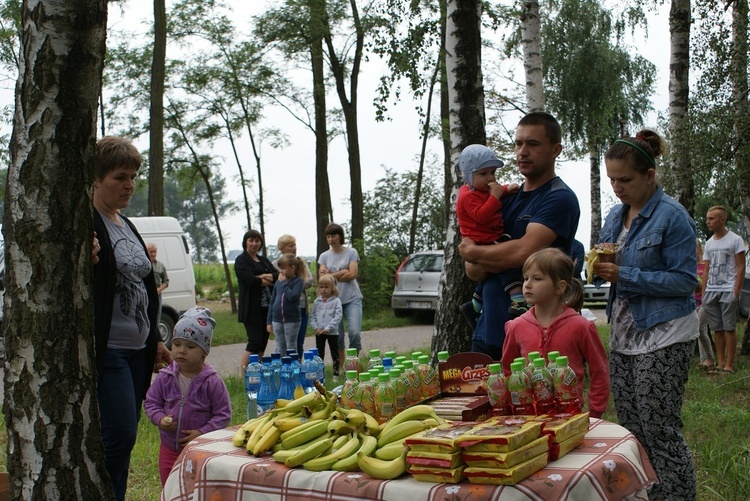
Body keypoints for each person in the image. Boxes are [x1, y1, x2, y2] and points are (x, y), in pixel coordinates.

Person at [593, 129, 698, 500]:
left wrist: (625, 274)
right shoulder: (614, 215)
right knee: (633, 430)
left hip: (665, 333)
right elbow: (603, 256)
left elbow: (685, 281)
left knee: (660, 431)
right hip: (625, 335)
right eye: (612, 180)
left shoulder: (673, 217)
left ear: (649, 175)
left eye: (625, 179)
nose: (617, 187)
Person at [459, 112, 580, 360]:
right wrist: (478, 258)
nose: (522, 151)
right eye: (518, 143)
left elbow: (523, 252)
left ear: (556, 149)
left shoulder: (559, 198)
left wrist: (474, 252)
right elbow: (473, 271)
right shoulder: (505, 199)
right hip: (489, 332)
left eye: (533, 144)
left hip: (538, 338)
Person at [92, 136, 172, 501]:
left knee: (124, 436)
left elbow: (146, 285)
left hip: (137, 349)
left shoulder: (125, 223)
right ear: (95, 179)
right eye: (120, 177)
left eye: (134, 176)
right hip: (108, 351)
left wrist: (156, 338)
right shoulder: (89, 224)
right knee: (119, 435)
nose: (129, 185)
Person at [501, 248, 610, 418]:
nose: (527, 284)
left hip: (569, 416)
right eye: (525, 278)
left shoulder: (580, 326)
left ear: (560, 287)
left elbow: (600, 371)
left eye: (537, 279)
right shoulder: (516, 326)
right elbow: (507, 370)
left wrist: (595, 413)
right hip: (528, 418)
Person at [144, 307, 231, 486]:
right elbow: (151, 402)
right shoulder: (165, 376)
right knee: (170, 488)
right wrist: (160, 419)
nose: (181, 351)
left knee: (197, 489)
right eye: (177, 344)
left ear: (204, 352)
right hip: (169, 449)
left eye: (190, 346)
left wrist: (202, 433)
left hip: (202, 451)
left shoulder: (212, 382)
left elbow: (223, 414)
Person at [456, 144, 525, 323]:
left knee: (493, 272)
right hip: (481, 240)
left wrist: (506, 189)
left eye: (492, 172)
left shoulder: (480, 190)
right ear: (469, 176)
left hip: (489, 237)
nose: (490, 178)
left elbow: (492, 192)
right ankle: (518, 299)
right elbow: (482, 216)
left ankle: (475, 304)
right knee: (506, 266)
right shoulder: (467, 196)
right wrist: (495, 196)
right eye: (483, 174)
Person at [702, 205, 745, 374]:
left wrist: (736, 292)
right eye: (707, 218)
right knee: (717, 329)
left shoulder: (735, 240)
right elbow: (706, 269)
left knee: (729, 328)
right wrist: (704, 292)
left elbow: (741, 267)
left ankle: (729, 364)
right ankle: (720, 363)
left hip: (728, 289)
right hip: (711, 290)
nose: (708, 222)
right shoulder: (709, 243)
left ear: (722, 219)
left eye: (711, 218)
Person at [318, 223, 363, 378]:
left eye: (334, 236)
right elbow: (323, 279)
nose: (331, 239)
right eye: (328, 236)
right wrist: (341, 272)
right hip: (333, 301)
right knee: (337, 336)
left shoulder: (351, 252)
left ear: (340, 236)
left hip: (352, 298)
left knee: (354, 332)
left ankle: (354, 363)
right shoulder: (324, 256)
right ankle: (343, 367)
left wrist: (332, 274)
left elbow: (352, 274)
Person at [235, 230, 278, 368]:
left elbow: (277, 276)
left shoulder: (263, 260)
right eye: (251, 240)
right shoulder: (241, 260)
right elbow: (249, 280)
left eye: (257, 241)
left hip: (266, 308)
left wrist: (260, 277)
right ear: (245, 242)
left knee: (263, 340)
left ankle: (256, 368)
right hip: (251, 308)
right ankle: (243, 372)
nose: (254, 244)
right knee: (254, 340)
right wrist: (265, 278)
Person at [273, 234, 314, 359]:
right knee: (282, 344)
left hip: (301, 306)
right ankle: (283, 368)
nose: (294, 248)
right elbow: (274, 283)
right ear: (282, 248)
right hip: (282, 308)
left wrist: (294, 283)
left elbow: (309, 281)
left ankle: (298, 367)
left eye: (295, 245)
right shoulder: (276, 264)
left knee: (298, 342)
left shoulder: (299, 262)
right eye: (291, 245)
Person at [267, 254, 306, 355]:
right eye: (280, 268)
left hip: (292, 320)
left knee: (291, 346)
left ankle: (293, 369)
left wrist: (284, 283)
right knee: (280, 346)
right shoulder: (278, 282)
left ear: (292, 268)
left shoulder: (298, 282)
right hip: (277, 320)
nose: (281, 271)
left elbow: (293, 296)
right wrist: (269, 321)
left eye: (283, 268)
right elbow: (272, 301)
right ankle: (281, 368)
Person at [310, 274, 343, 372]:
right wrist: (316, 328)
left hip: (332, 332)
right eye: (321, 287)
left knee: (334, 352)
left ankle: (336, 373)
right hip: (319, 332)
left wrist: (328, 328)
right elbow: (312, 316)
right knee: (319, 354)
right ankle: (320, 372)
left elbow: (338, 316)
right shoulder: (316, 302)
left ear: (332, 288)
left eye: (326, 287)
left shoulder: (336, 301)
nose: (324, 289)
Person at [695, 238, 715, 370]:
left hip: (706, 300)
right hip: (694, 302)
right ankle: (704, 360)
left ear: (700, 249)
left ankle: (709, 358)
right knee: (697, 330)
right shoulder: (691, 267)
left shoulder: (706, 265)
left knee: (700, 328)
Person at [147, 242, 169, 328]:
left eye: (154, 252)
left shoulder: (160, 266)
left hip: (157, 295)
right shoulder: (143, 264)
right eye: (151, 252)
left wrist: (159, 290)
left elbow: (166, 281)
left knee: (156, 318)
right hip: (145, 294)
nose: (153, 254)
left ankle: (155, 338)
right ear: (146, 251)